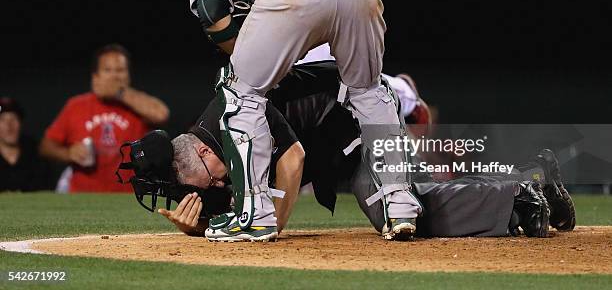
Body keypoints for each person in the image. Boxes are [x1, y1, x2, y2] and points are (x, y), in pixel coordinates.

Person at [134, 61, 574, 240]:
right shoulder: (211, 136)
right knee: (410, 196)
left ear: (206, 156)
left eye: (211, 180)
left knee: (394, 213)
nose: (217, 185)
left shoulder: (235, 117)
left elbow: (292, 159)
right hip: (339, 132)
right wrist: (202, 224)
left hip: (359, 117)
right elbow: (245, 192)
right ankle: (530, 181)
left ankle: (519, 197)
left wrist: (270, 226)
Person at [188, 0, 422, 242]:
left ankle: (254, 214)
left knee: (239, 91)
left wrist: (246, 64)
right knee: (369, 90)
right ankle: (400, 204)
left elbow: (210, 10)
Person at [40, 44, 170, 192]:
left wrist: (120, 93)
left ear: (128, 75)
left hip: (127, 196)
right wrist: (68, 153)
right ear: (95, 76)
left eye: (120, 70)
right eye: (107, 70)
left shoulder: (138, 105)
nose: (114, 76)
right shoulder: (76, 105)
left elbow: (161, 115)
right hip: (82, 197)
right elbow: (46, 147)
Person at [0, 97, 61, 192]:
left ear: (21, 123)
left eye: (14, 118)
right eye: (2, 119)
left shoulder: (36, 154)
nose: (9, 125)